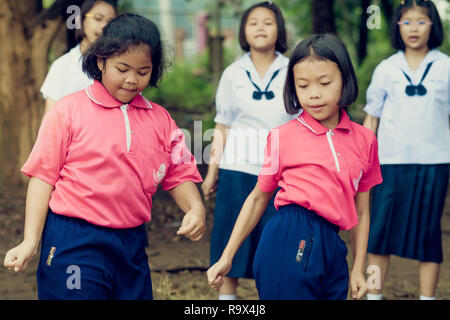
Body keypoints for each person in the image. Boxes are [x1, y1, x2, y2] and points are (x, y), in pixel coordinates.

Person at [3, 13, 206, 300]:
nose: (132, 80)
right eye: (122, 68)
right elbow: (43, 177)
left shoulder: (160, 120)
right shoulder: (68, 111)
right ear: (101, 61)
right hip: (74, 239)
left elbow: (178, 173)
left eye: (143, 71)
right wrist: (30, 241)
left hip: (131, 242)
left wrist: (195, 208)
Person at [207, 33, 383, 300]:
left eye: (325, 83)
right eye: (302, 86)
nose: (314, 94)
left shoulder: (365, 139)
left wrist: (358, 268)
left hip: (334, 246)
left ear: (345, 80)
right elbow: (257, 198)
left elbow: (363, 210)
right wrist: (227, 256)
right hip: (290, 235)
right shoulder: (282, 136)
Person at [201, 1, 295, 300]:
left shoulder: (292, 68)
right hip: (237, 170)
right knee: (231, 239)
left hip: (280, 173)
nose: (260, 27)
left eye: (268, 22)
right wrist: (212, 172)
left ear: (279, 29)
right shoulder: (233, 73)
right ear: (243, 31)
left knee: (274, 244)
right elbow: (222, 125)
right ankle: (226, 300)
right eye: (253, 22)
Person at [362, 0, 449, 301]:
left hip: (434, 162)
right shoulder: (387, 68)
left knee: (429, 235)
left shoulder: (446, 66)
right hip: (390, 161)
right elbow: (372, 116)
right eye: (407, 21)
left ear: (432, 26)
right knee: (380, 234)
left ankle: (428, 297)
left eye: (421, 21)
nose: (414, 28)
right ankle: (374, 295)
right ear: (398, 26)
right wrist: (365, 158)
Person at [40, 0, 117, 113]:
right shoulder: (62, 66)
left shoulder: (119, 66)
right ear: (80, 19)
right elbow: (50, 118)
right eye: (98, 18)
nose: (104, 26)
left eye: (110, 22)